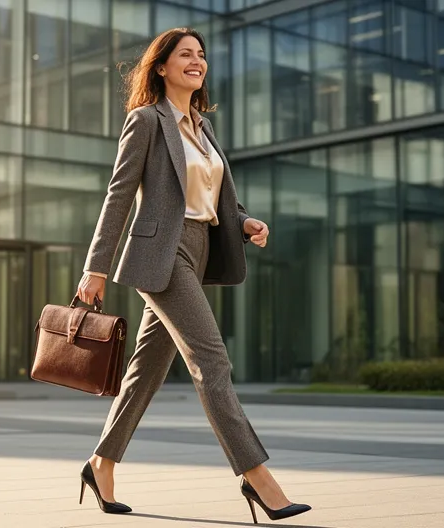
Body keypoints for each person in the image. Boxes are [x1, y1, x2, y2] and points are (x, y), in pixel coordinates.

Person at [74, 27, 311, 524]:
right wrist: (95, 268)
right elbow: (118, 195)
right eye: (185, 54)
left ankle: (100, 464)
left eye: (201, 55)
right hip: (161, 251)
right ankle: (256, 476)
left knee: (145, 373)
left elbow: (217, 197)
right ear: (161, 67)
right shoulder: (146, 121)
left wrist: (244, 221)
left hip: (199, 250)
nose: (197, 61)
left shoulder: (202, 128)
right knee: (212, 361)